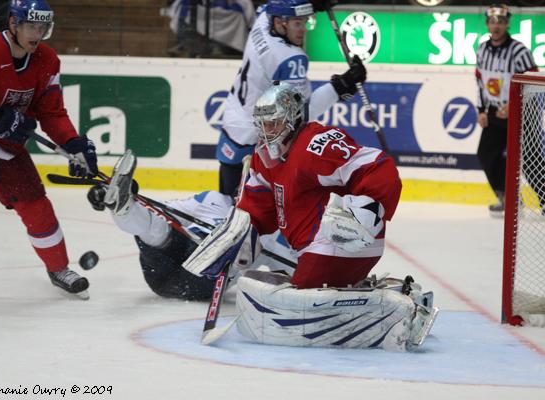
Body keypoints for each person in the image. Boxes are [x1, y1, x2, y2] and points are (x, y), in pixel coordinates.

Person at [184, 82, 438, 350]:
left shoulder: (315, 144)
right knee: (290, 292)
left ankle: (395, 311)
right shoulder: (263, 158)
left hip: (344, 238)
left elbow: (378, 167)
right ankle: (400, 294)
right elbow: (258, 208)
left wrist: (365, 212)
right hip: (312, 249)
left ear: (292, 119)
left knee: (300, 301)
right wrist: (241, 236)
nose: (266, 131)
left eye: (273, 123)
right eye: (262, 124)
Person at [0, 0, 98, 298]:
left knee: (36, 205)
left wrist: (73, 143)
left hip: (7, 146)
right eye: (31, 26)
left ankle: (58, 269)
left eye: (43, 28)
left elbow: (51, 112)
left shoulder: (47, 60)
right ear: (13, 24)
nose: (37, 34)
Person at [86, 150, 297, 300]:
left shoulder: (270, 230)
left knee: (226, 245)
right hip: (161, 270)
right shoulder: (213, 199)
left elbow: (290, 272)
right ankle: (122, 207)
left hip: (202, 283)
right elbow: (162, 212)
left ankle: (124, 207)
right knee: (160, 229)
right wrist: (135, 199)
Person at [217, 0, 366, 195]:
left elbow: (271, 5)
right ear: (280, 23)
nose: (303, 29)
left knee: (226, 203)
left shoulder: (262, 22)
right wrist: (340, 87)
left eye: (304, 21)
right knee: (256, 209)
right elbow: (299, 114)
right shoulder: (290, 58)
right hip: (258, 141)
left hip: (233, 124)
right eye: (297, 23)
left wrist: (309, 4)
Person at [475, 4, 545, 217]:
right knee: (486, 154)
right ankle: (509, 198)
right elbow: (479, 80)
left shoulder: (519, 51)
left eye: (501, 22)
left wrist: (514, 104)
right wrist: (481, 110)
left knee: (529, 156)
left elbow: (533, 81)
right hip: (494, 112)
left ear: (507, 24)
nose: (496, 26)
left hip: (521, 110)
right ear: (487, 24)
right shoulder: (482, 49)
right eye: (492, 22)